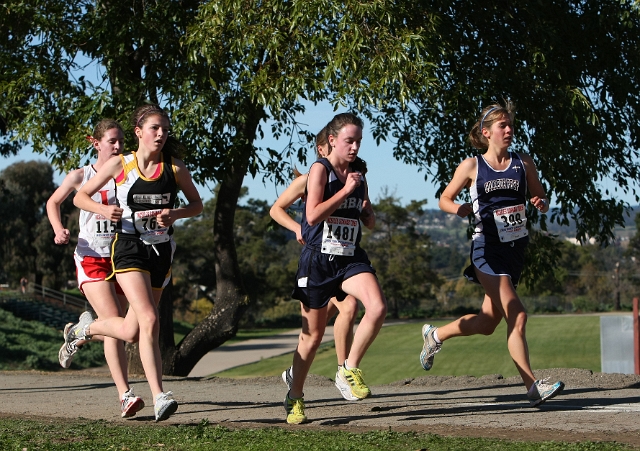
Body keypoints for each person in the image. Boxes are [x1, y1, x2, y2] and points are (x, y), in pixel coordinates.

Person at [419, 101, 564, 407]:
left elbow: (541, 196)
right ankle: (532, 387)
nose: (509, 129)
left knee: (487, 324)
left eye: (510, 124)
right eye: (502, 125)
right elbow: (444, 198)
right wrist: (460, 208)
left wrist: (540, 202)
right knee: (518, 314)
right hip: (485, 250)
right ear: (486, 133)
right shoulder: (472, 166)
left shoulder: (524, 163)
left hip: (515, 251)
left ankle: (435, 336)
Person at [65, 104, 203, 421]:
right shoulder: (121, 165)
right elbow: (80, 197)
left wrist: (177, 214)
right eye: (155, 128)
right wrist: (103, 211)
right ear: (139, 132)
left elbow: (196, 204)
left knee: (131, 331)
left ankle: (85, 329)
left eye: (166, 130)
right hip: (128, 248)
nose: (161, 134)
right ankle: (160, 395)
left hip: (161, 250)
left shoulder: (176, 168)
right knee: (150, 319)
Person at [284, 112, 387, 424]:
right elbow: (312, 216)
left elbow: (366, 221)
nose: (355, 147)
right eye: (349, 141)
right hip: (318, 260)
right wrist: (344, 192)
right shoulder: (319, 170)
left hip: (350, 257)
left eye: (358, 141)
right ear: (332, 141)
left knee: (377, 306)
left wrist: (367, 212)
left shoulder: (359, 175)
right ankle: (295, 395)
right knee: (312, 337)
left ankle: (348, 368)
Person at [46, 119, 145, 418]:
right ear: (96, 142)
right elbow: (54, 202)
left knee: (131, 329)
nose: (118, 146)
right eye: (112, 141)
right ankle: (125, 395)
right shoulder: (81, 176)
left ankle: (80, 330)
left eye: (121, 141)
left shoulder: (128, 173)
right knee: (115, 324)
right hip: (92, 257)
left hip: (123, 257)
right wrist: (58, 228)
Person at [270, 126, 367, 402]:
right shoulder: (310, 178)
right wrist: (296, 228)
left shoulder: (346, 176)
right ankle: (322, 373)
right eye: (323, 148)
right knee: (331, 319)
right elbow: (276, 209)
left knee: (344, 310)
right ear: (323, 148)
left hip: (343, 258)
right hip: (317, 259)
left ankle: (333, 371)